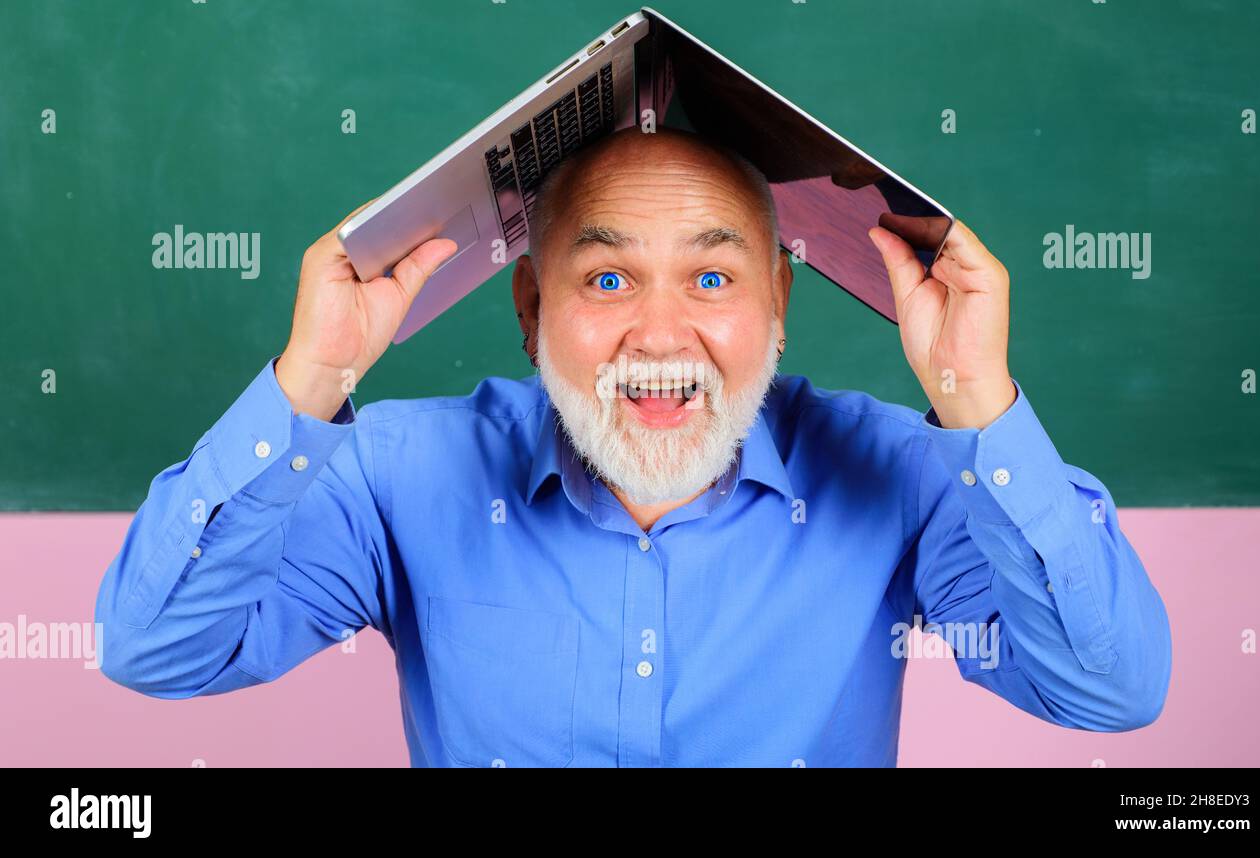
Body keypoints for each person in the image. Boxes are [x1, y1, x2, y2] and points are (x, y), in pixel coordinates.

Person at [96, 127, 1171, 767]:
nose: (660, 335)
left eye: (712, 278)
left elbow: (1105, 688)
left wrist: (975, 400)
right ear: (530, 306)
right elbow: (156, 652)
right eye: (606, 279)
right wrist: (311, 379)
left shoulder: (893, 473)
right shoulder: (398, 474)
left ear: (779, 302)